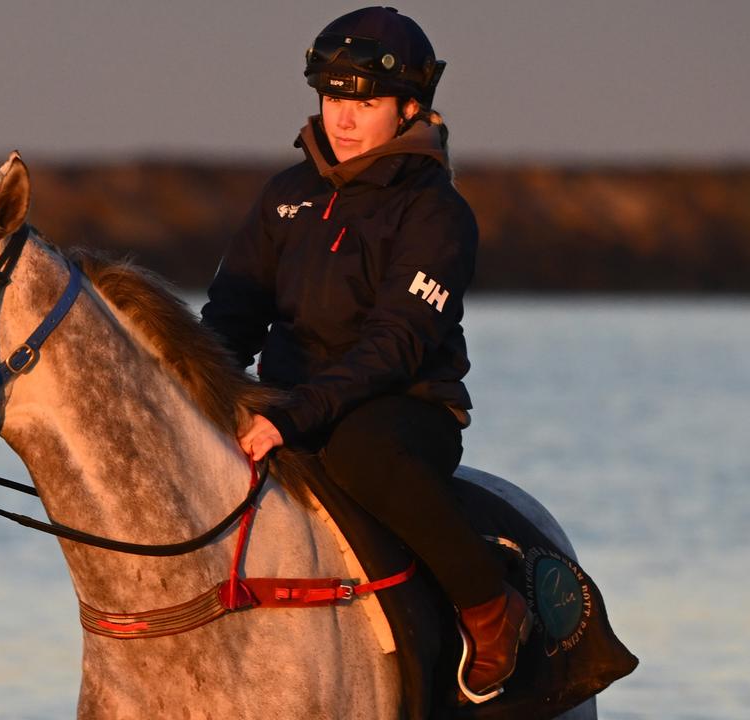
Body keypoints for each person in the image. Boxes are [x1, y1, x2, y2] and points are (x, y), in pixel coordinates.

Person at [200, 6, 529, 704]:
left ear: (410, 108)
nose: (343, 119)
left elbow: (396, 344)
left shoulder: (437, 213)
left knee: (357, 453)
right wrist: (199, 393)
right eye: (333, 99)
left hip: (403, 407)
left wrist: (293, 414)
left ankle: (489, 605)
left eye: (366, 103)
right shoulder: (285, 196)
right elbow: (230, 316)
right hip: (286, 404)